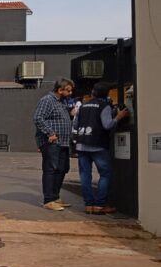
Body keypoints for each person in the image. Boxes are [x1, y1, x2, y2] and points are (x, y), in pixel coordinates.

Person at [73, 83, 129, 215]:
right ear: (107, 95)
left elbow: (75, 123)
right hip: (97, 145)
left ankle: (88, 204)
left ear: (93, 92)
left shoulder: (83, 106)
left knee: (85, 175)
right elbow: (107, 125)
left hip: (81, 144)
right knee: (105, 174)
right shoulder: (104, 106)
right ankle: (99, 205)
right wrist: (119, 117)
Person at [33, 77, 76, 211]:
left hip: (63, 142)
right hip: (51, 142)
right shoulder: (47, 100)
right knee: (51, 169)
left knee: (62, 168)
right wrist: (50, 133)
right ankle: (49, 199)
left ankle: (55, 196)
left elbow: (59, 119)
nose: (70, 93)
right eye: (68, 91)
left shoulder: (61, 102)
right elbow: (38, 118)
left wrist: (70, 115)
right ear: (60, 89)